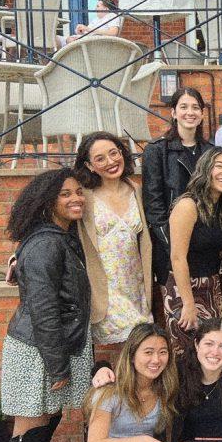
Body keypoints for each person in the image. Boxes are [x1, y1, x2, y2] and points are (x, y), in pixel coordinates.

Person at [0, 169, 91, 442]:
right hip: (39, 350)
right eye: (66, 194)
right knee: (31, 427)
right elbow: (43, 310)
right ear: (47, 201)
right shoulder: (45, 244)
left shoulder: (56, 238)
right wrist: (57, 367)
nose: (76, 199)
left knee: (41, 424)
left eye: (79, 192)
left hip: (49, 347)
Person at [74, 133, 152, 347]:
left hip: (136, 286)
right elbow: (54, 224)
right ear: (89, 166)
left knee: (134, 351)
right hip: (105, 288)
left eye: (113, 153)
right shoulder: (84, 196)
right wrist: (17, 257)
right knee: (134, 344)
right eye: (100, 158)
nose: (110, 162)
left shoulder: (137, 191)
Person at [163, 147, 222, 357]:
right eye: (219, 166)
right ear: (206, 169)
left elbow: (221, 246)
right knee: (187, 354)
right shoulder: (188, 205)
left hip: (212, 285)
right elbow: (177, 258)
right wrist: (188, 304)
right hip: (184, 288)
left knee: (213, 352)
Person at [142, 86, 214, 285]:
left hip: (205, 249)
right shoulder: (156, 151)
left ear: (201, 113)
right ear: (173, 113)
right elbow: (154, 205)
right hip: (170, 250)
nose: (190, 112)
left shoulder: (211, 151)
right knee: (181, 312)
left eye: (195, 107)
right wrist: (173, 245)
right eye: (184, 107)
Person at [58, 0, 122, 46]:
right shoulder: (96, 19)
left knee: (66, 40)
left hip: (98, 44)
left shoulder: (112, 16)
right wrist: (81, 32)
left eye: (98, 6)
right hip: (88, 41)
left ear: (106, 9)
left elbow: (113, 32)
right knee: (56, 38)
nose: (95, 8)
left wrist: (88, 29)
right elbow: (88, 32)